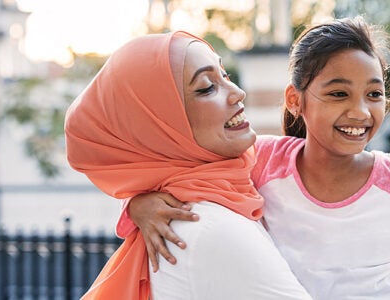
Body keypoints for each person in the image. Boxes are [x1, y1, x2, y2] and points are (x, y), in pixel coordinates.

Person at [126, 16, 390, 299]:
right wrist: (138, 204)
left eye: (374, 94)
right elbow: (174, 171)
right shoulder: (261, 161)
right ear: (294, 100)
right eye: (339, 94)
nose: (361, 112)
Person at [64, 31, 312, 299]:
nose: (237, 93)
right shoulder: (208, 228)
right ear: (160, 126)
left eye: (225, 75)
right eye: (207, 87)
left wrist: (137, 202)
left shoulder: (211, 194)